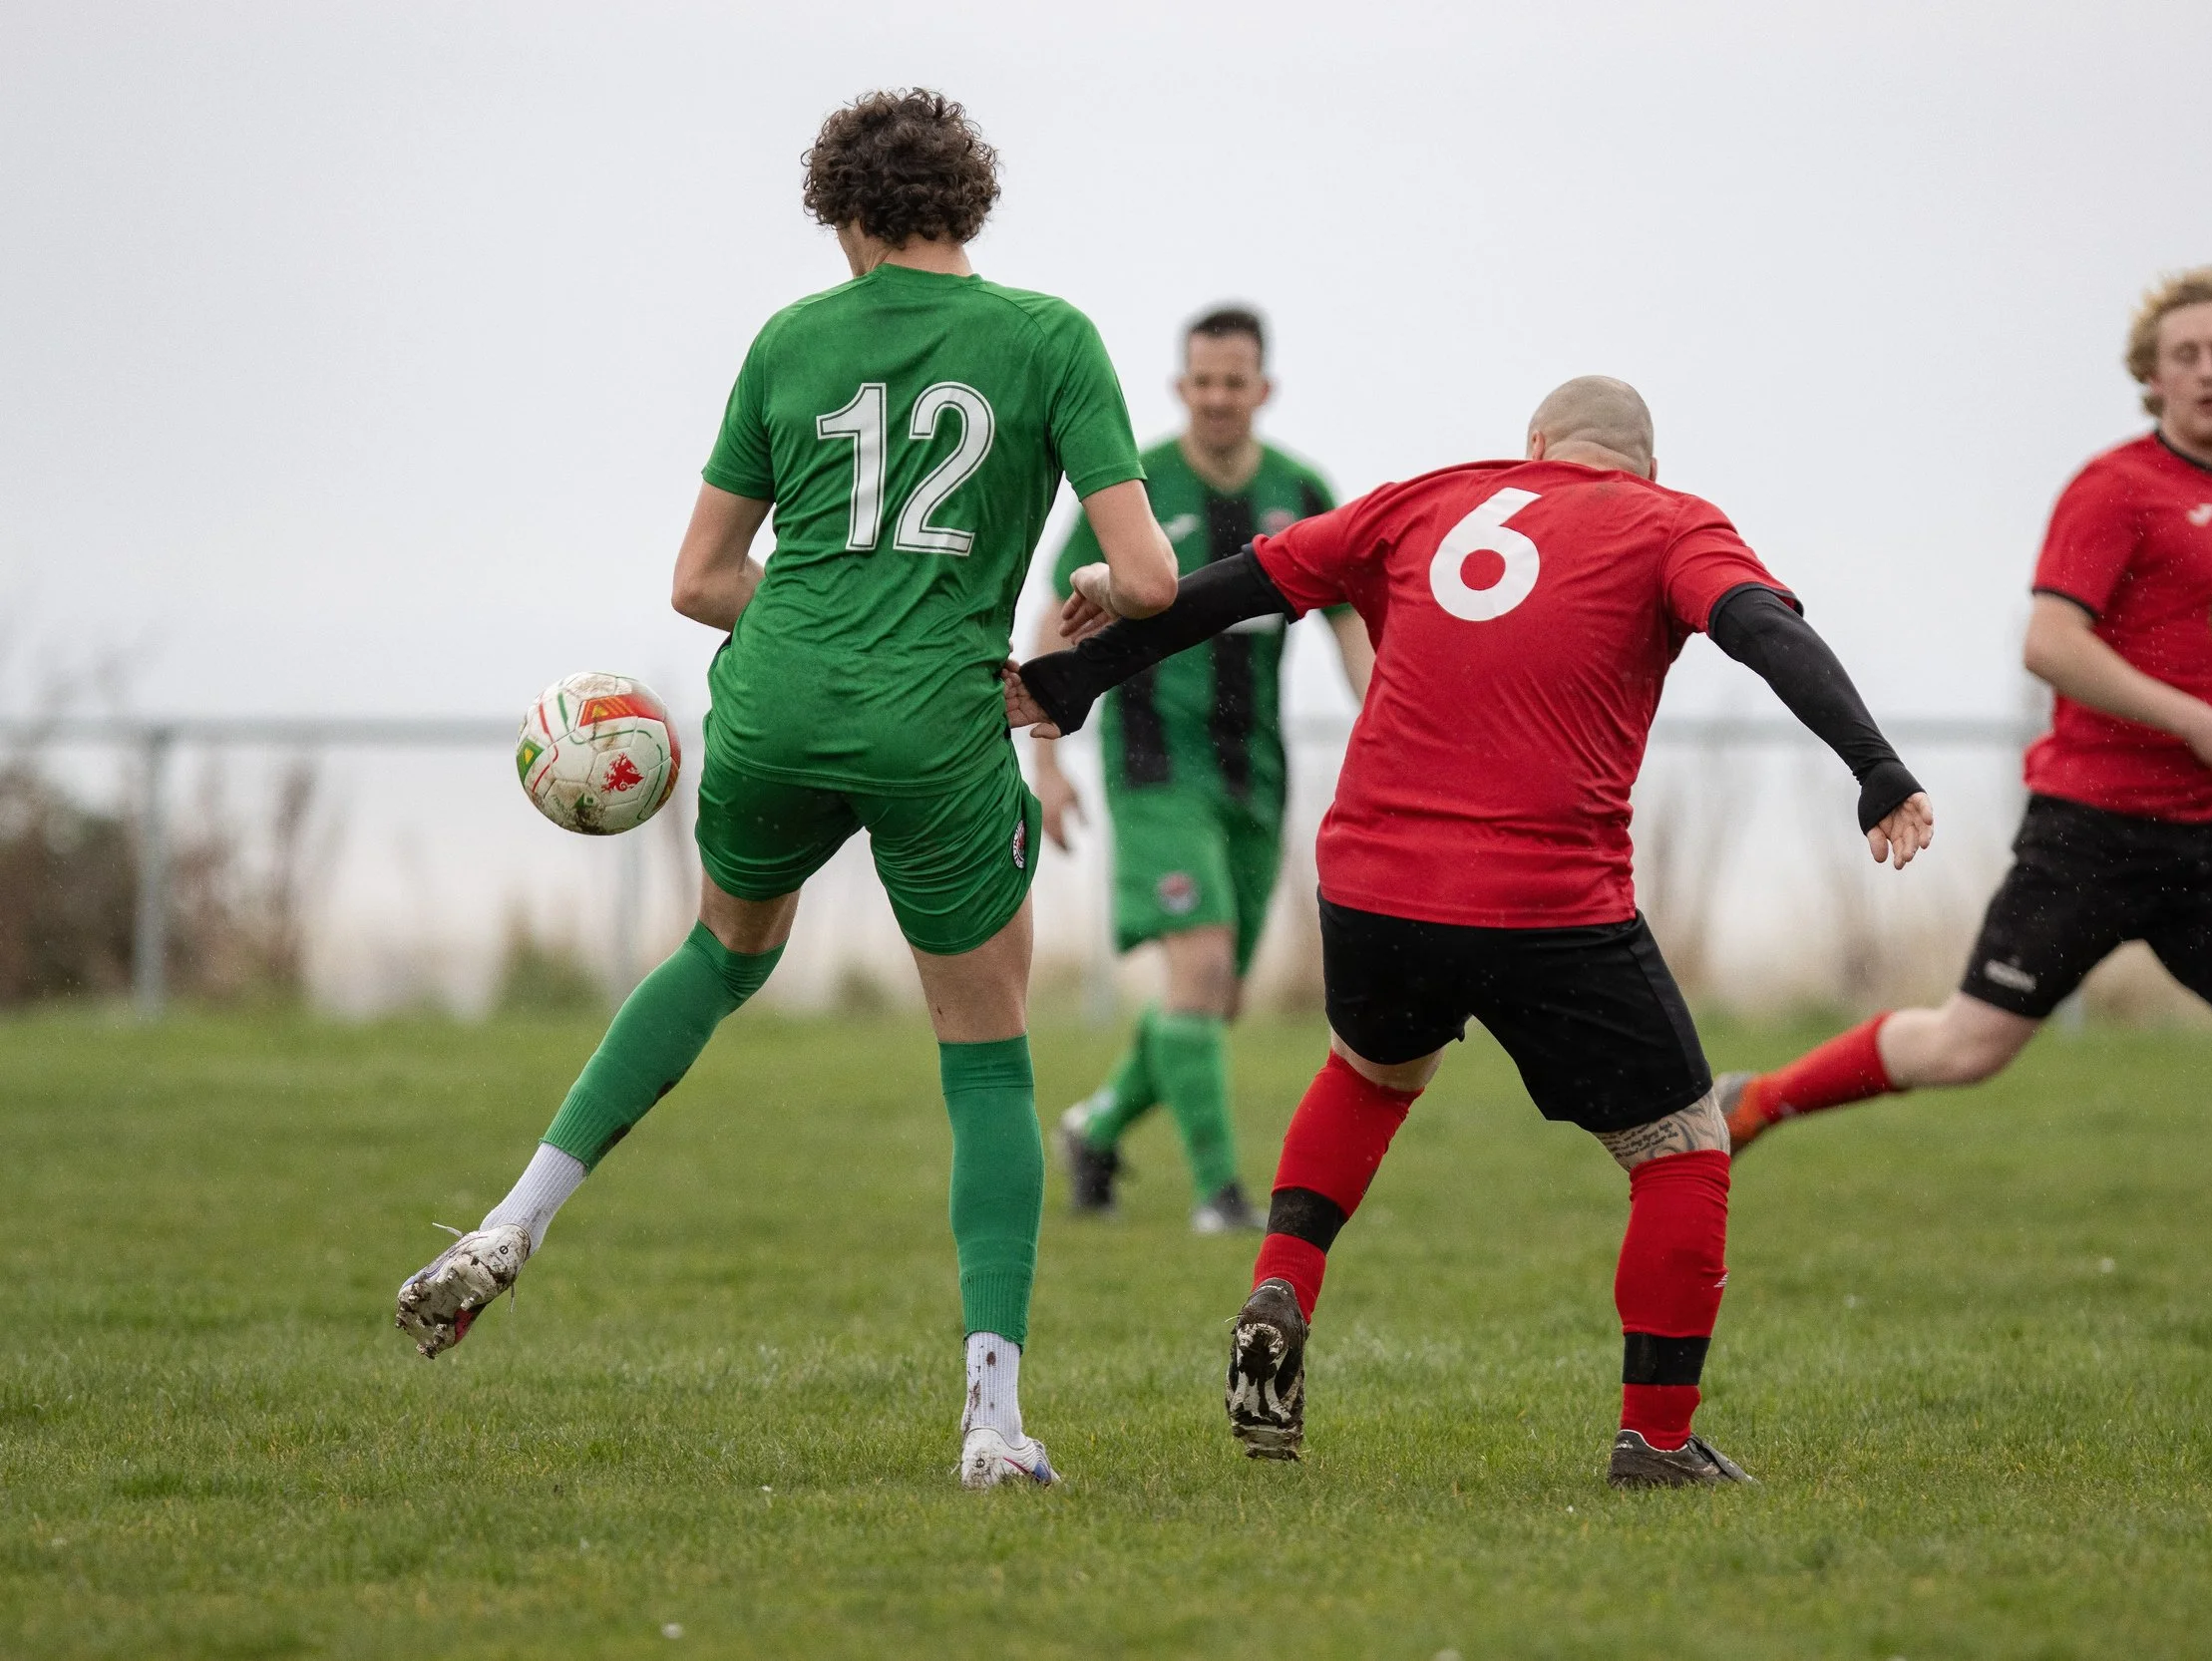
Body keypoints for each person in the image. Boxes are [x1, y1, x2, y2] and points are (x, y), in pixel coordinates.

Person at [392, 90, 1178, 1491]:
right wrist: (1094, 594)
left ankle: (515, 1217)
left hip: (770, 707)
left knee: (719, 952)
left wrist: (816, 629)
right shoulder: (1050, 338)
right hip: (937, 720)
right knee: (987, 1043)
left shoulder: (791, 339)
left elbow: (698, 581)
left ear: (849, 219)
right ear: (968, 207)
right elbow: (1157, 580)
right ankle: (992, 1421)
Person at [1009, 376, 1935, 1488]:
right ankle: (1656, 1435)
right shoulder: (1671, 521)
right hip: (1546, 897)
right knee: (1685, 1146)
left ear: (1535, 444)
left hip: (1373, 880)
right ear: (1640, 463)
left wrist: (1075, 678)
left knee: (1370, 1072)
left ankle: (1283, 1286)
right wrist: (1875, 767)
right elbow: (1761, 631)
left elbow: (1234, 588)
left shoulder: (1424, 499)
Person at [1715, 268, 2212, 1308]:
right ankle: (1755, 1101)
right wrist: (2193, 720)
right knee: (1965, 1046)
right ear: (2150, 375)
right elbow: (2049, 640)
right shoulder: (2113, 488)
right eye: (2185, 354)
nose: (2206, 371)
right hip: (2089, 831)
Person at [1030, 305, 1372, 1232]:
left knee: (1215, 1000)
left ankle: (1097, 1126)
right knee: (1201, 966)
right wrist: (1049, 767)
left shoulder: (1302, 490)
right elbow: (1055, 619)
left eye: (1236, 381)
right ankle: (1222, 1197)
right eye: (1203, 381)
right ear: (1182, 386)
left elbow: (1351, 623)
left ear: (1262, 389)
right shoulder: (1135, 488)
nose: (1219, 397)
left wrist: (1389, 723)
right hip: (1153, 768)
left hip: (1252, 776)